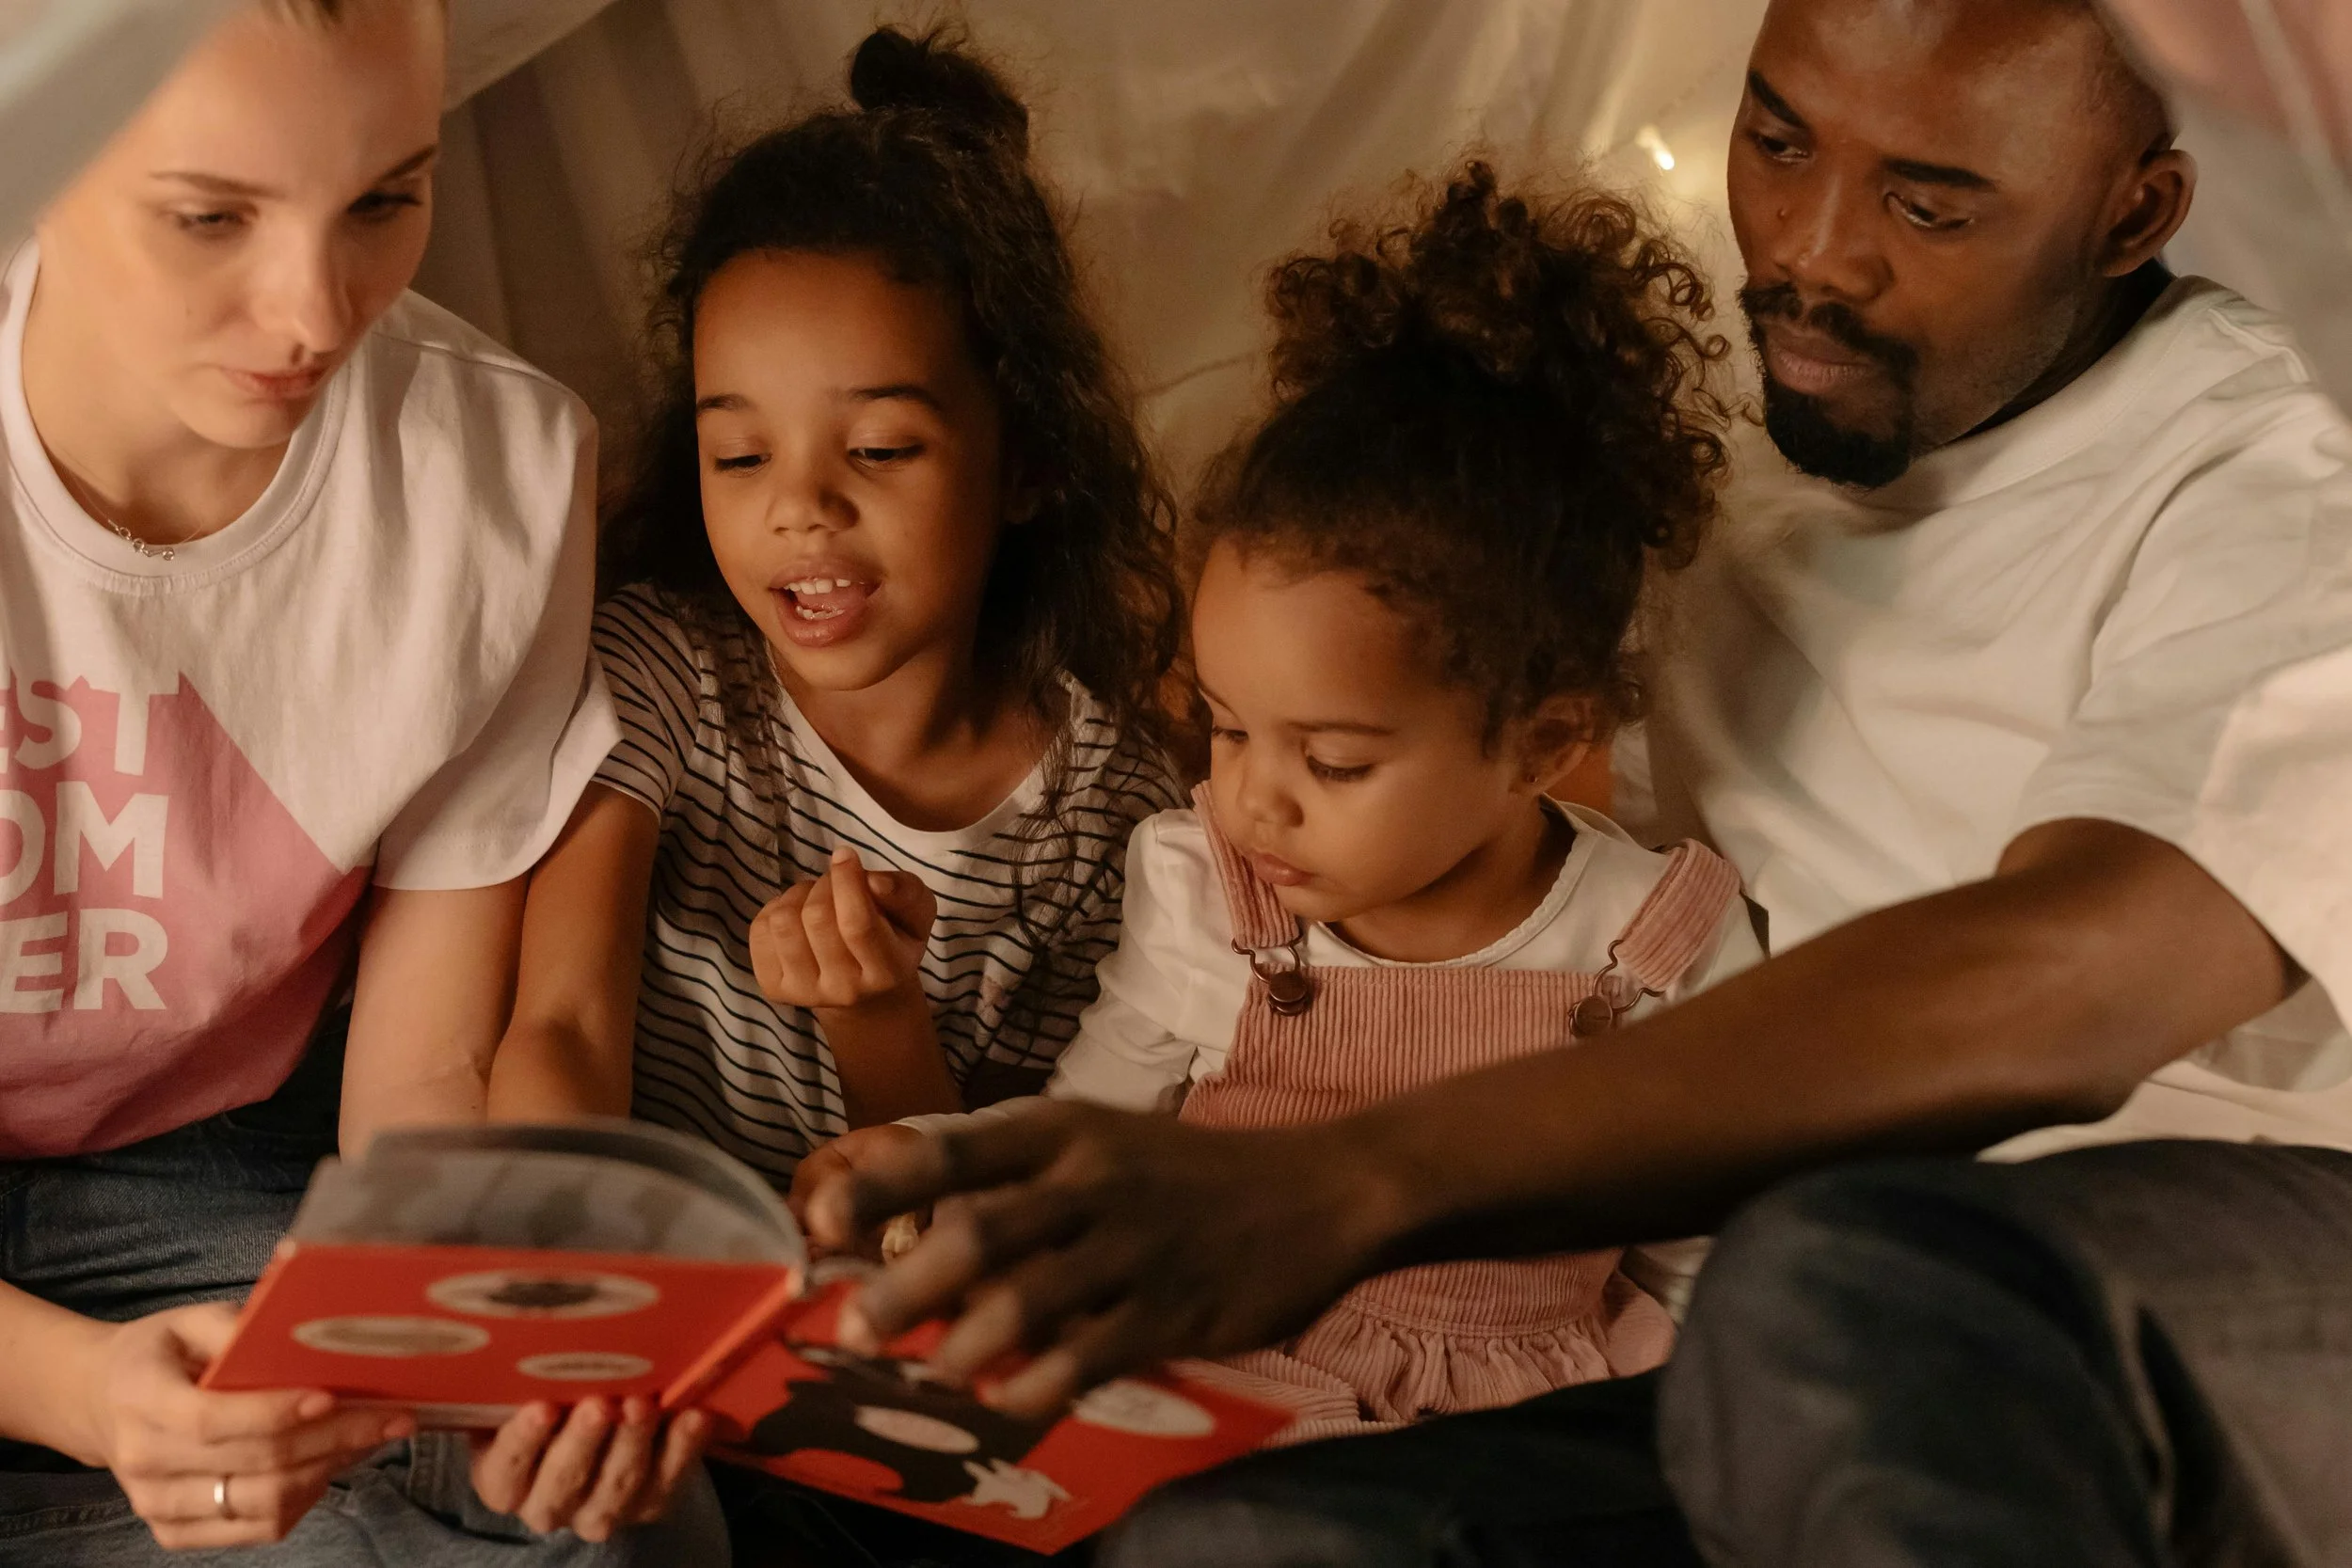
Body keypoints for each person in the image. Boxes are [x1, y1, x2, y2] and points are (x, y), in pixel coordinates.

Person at [795, 0, 2352, 1560]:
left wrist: (1349, 1179)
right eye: (1777, 138)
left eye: (1929, 202)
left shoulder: (2275, 476)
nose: (1814, 251)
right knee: (1235, 1541)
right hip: (1785, 1290)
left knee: (1847, 1280)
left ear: (2135, 206)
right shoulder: (1710, 412)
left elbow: (2081, 981)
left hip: (2172, 1244)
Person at [803, 164, 1763, 1444]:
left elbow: (1702, 1268)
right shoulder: (1209, 890)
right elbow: (1090, 1126)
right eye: (1227, 723)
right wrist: (929, 1151)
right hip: (1210, 1382)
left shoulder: (1656, 946)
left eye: (1338, 761)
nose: (1253, 795)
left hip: (1505, 1438)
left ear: (1542, 742)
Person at [0, 0, 723, 1560]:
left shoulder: (498, 474)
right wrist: (73, 1387)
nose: (315, 313)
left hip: (212, 1172)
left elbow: (419, 1087)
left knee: (613, 1514)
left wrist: (507, 1342)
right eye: (211, 217)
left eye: (387, 199)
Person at [487, 28, 1186, 1200]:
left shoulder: (1109, 816)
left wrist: (878, 1018)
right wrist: (583, 1265)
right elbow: (560, 1027)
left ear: (1024, 463)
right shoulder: (658, 672)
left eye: (877, 447)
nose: (801, 507)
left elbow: (989, 1198)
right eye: (741, 453)